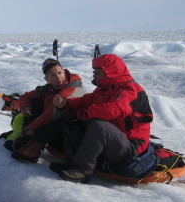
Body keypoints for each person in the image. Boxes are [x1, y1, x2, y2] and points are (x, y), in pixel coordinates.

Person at [49, 54, 153, 183]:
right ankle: (72, 163)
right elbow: (86, 100)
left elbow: (113, 110)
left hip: (131, 149)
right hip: (115, 142)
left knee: (99, 124)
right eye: (94, 72)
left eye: (98, 73)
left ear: (110, 72)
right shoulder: (105, 89)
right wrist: (66, 104)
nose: (94, 76)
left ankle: (82, 171)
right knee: (73, 121)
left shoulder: (130, 90)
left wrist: (81, 114)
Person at [11, 58, 85, 163]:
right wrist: (25, 107)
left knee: (60, 118)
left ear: (64, 71)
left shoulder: (75, 87)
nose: (58, 77)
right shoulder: (49, 89)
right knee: (35, 103)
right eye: (53, 75)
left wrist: (31, 128)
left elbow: (52, 113)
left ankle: (33, 146)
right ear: (47, 79)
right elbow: (25, 96)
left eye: (59, 73)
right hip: (55, 128)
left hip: (72, 132)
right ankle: (27, 141)